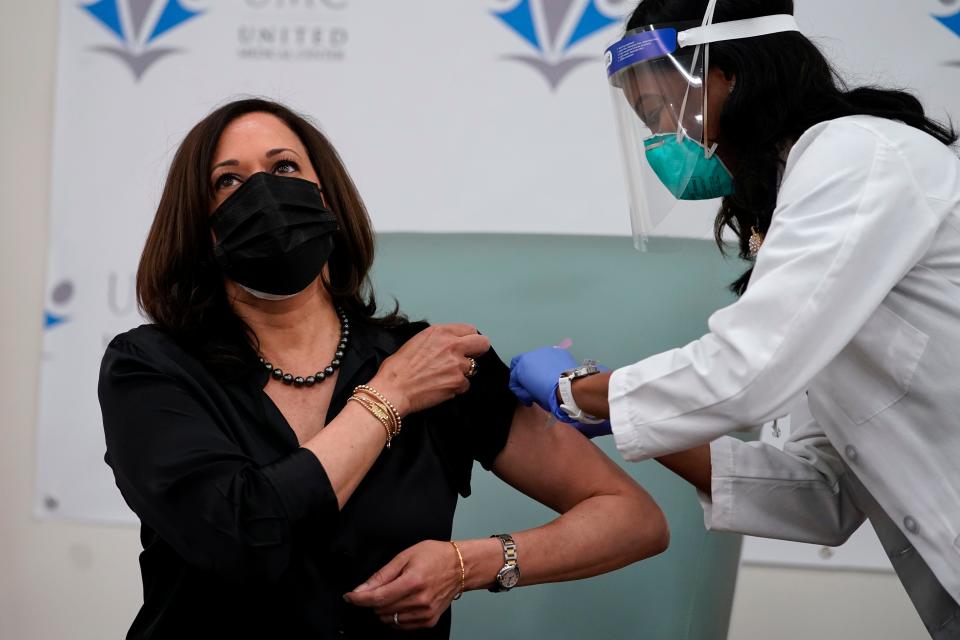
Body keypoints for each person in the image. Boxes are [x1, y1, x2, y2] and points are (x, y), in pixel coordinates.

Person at [98, 98, 669, 639]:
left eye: (285, 166)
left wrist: (468, 563)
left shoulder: (439, 363)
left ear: (327, 199)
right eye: (229, 181)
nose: (265, 193)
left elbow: (632, 518)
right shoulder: (150, 369)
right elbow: (243, 535)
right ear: (201, 227)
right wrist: (388, 396)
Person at [508, 0, 960, 637]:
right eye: (647, 121)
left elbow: (748, 371)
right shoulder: (808, 214)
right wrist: (622, 413)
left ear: (730, 75)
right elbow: (820, 496)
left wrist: (579, 394)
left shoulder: (857, 154)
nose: (665, 141)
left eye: (665, 110)